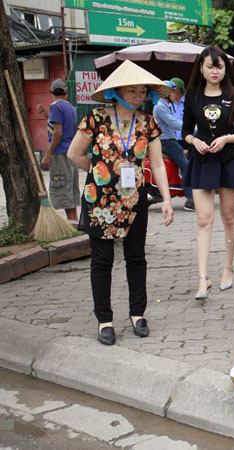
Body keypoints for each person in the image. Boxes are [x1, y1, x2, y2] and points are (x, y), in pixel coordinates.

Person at [65, 60, 174, 345]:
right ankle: (105, 319)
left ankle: (138, 313)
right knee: (102, 260)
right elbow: (74, 154)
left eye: (142, 91)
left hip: (135, 199)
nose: (138, 96)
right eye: (132, 90)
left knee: (136, 257)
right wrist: (99, 169)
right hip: (100, 201)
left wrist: (165, 199)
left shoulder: (147, 123)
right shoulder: (95, 119)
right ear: (117, 91)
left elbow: (158, 164)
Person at [182, 46, 234, 300]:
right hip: (202, 160)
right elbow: (186, 131)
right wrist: (193, 141)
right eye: (209, 66)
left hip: (229, 159)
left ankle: (228, 268)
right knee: (203, 219)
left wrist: (227, 139)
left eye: (219, 66)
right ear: (201, 67)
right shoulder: (192, 95)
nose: (214, 71)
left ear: (225, 69)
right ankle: (203, 278)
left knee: (229, 218)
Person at [35, 79, 80, 221]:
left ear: (51, 92)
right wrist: (46, 117)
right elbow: (61, 125)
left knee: (63, 188)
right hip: (70, 151)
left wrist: (48, 154)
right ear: (66, 93)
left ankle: (72, 223)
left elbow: (58, 132)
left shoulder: (55, 106)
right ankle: (73, 222)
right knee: (70, 188)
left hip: (60, 152)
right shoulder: (70, 107)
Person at [152, 79, 193, 211]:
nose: (176, 94)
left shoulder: (166, 105)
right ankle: (190, 199)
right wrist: (192, 129)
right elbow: (172, 122)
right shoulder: (160, 106)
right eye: (173, 91)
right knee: (185, 165)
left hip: (170, 140)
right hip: (166, 142)